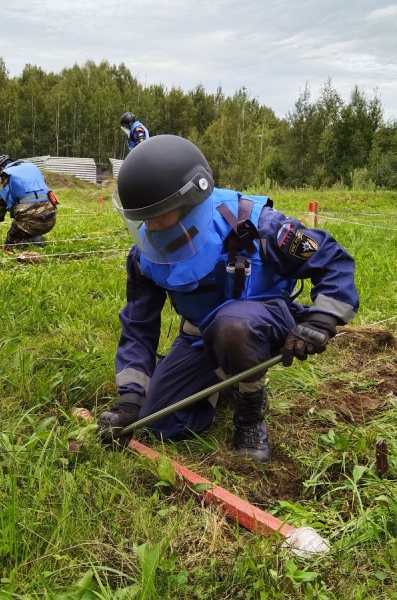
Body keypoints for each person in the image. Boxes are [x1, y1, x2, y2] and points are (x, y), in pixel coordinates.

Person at [97, 135, 359, 463]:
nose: (149, 227)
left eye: (157, 215)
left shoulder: (259, 225)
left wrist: (322, 318)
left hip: (262, 320)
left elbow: (332, 260)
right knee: (160, 424)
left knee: (233, 324)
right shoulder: (145, 257)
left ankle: (250, 414)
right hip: (198, 336)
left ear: (188, 202)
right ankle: (225, 376)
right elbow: (138, 327)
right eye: (142, 219)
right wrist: (130, 402)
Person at [0, 154, 59, 250]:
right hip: (51, 218)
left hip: (28, 221)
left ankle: (32, 242)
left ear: (0, 169)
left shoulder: (5, 175)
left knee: (10, 245)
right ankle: (35, 237)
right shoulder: (32, 167)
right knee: (29, 226)